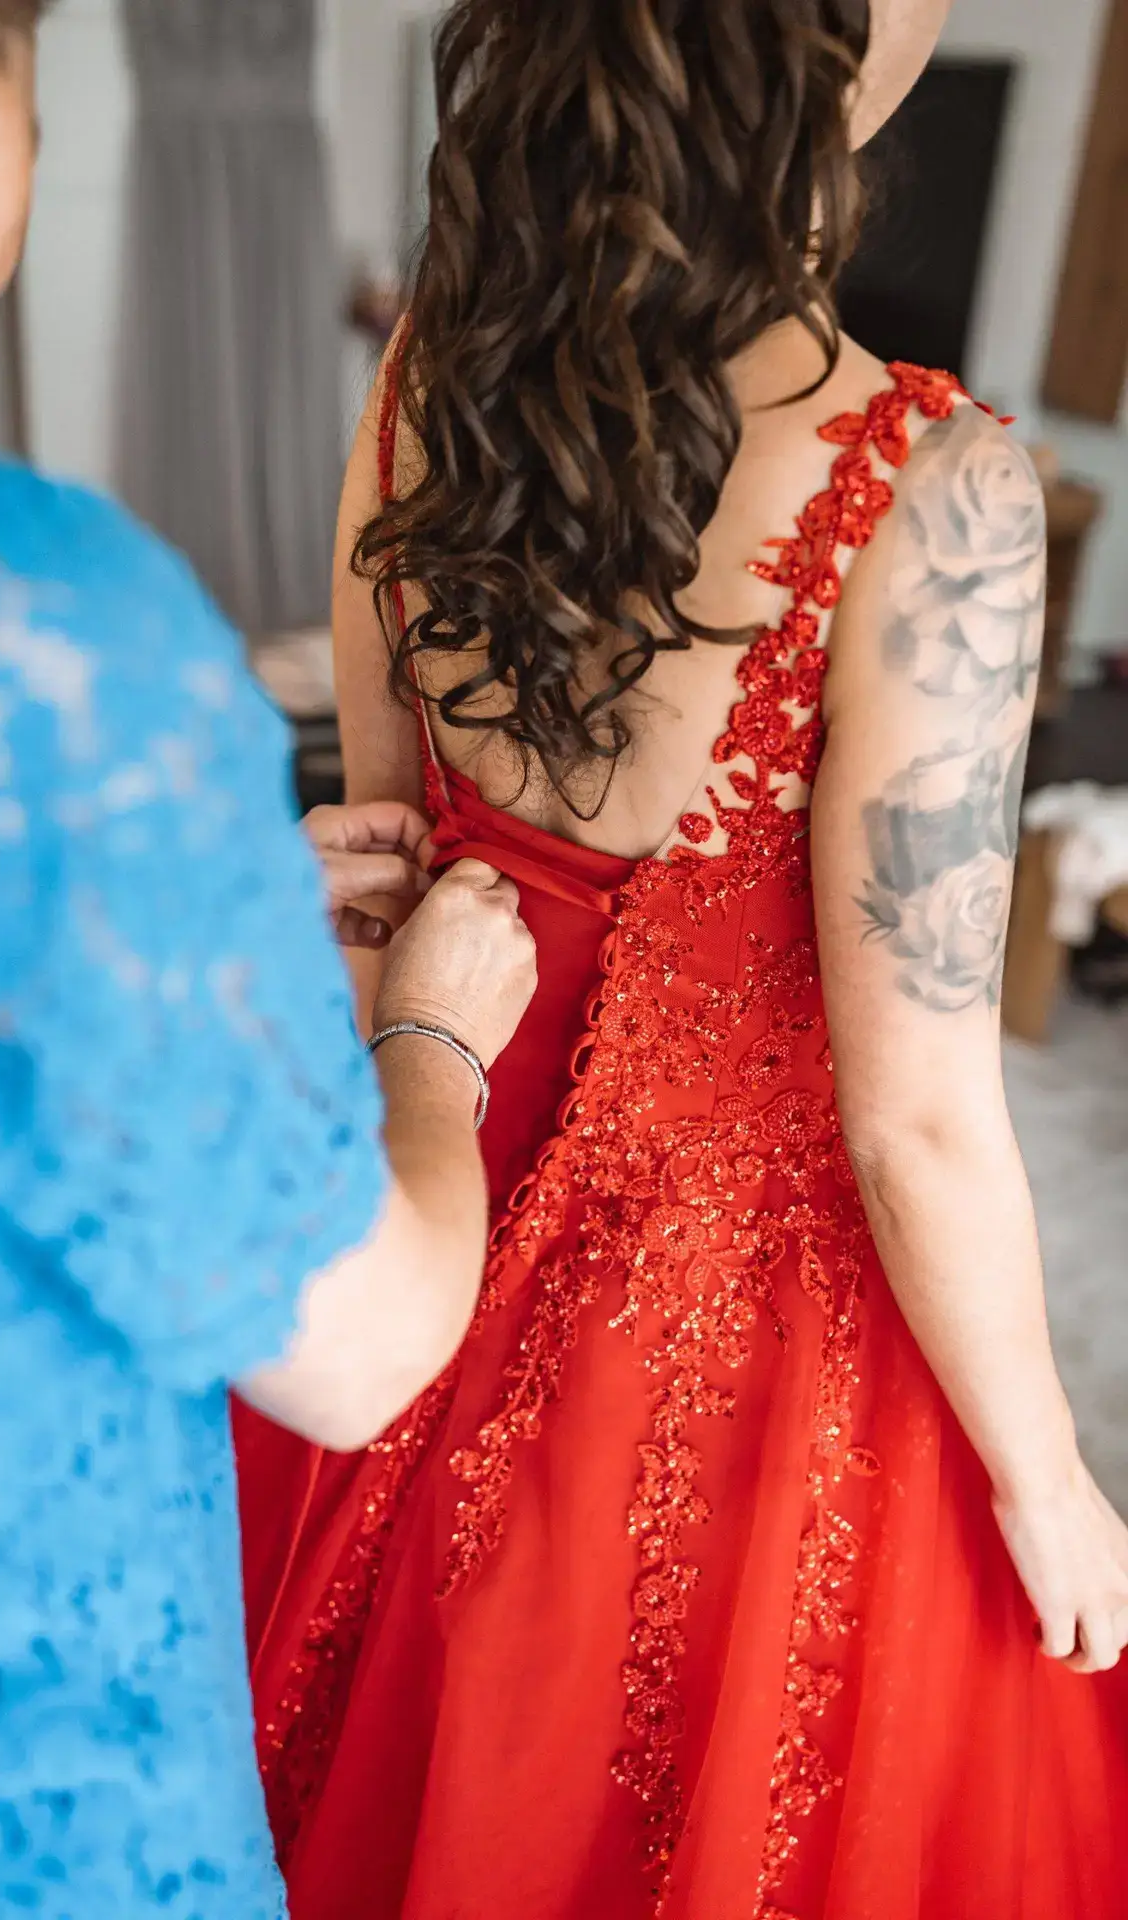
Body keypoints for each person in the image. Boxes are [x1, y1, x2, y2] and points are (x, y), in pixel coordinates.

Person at [237, 1, 1128, 1915]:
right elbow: (918, 1120)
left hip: (426, 1154)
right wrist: (1050, 1472)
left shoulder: (430, 370)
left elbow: (386, 861)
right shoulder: (932, 490)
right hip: (730, 1323)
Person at [0, 1, 536, 1915]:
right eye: (29, 84)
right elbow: (358, 1350)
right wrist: (430, 1046)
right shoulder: (6, 629)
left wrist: (180, 914)